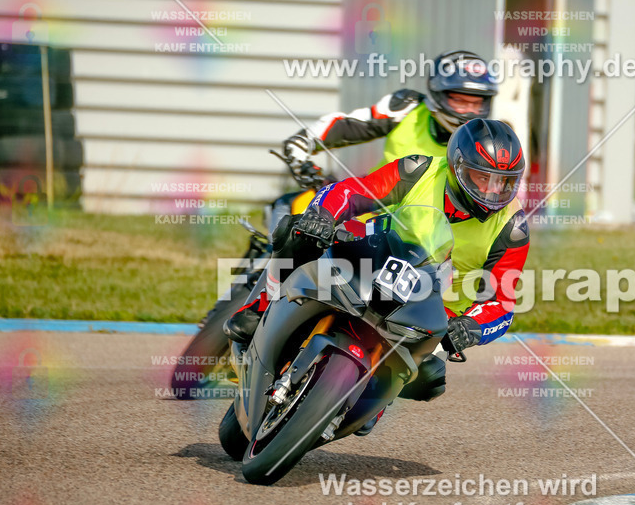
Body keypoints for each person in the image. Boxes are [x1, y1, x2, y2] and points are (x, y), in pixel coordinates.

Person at [225, 119, 530, 434]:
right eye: (482, 178)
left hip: (435, 309)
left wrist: (471, 326)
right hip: (378, 256)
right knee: (296, 231)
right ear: (456, 167)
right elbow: (354, 192)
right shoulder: (419, 170)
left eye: (504, 183)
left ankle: (373, 399)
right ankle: (263, 305)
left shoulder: (512, 229)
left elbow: (501, 303)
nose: (493, 191)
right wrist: (323, 216)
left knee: (429, 379)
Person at [269, 49, 499, 230]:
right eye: (460, 100)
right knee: (296, 207)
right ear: (438, 95)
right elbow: (348, 125)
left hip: (433, 235)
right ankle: (265, 280)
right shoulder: (406, 108)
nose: (469, 111)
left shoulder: (492, 141)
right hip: (366, 209)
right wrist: (302, 143)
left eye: (477, 103)